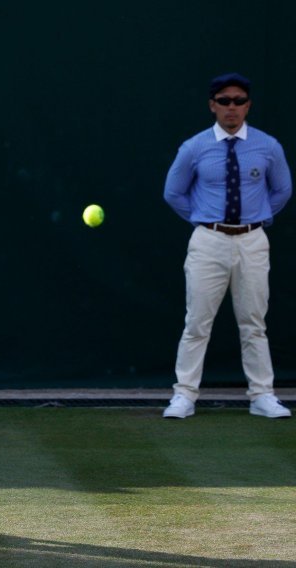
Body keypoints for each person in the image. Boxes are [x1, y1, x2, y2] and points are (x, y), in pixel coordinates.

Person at [163, 72, 292, 419]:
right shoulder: (194, 147)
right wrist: (204, 220)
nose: (231, 108)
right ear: (212, 106)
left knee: (253, 321)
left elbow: (282, 190)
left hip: (252, 240)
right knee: (197, 322)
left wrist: (257, 216)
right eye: (224, 101)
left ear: (248, 105)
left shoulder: (267, 146)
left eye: (238, 101)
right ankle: (185, 395)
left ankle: (262, 395)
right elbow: (173, 192)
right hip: (208, 241)